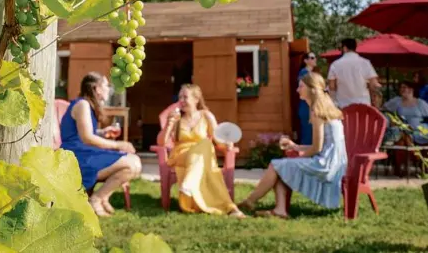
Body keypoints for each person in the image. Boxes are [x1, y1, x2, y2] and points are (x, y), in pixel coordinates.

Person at [238, 72, 347, 218]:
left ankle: (250, 202)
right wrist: (294, 146)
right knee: (280, 166)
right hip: (334, 163)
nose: (297, 90)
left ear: (311, 89)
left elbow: (317, 148)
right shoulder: (325, 108)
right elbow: (322, 146)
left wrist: (299, 156)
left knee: (277, 165)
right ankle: (279, 210)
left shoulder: (317, 112)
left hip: (326, 166)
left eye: (301, 86)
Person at [60, 72, 141, 217]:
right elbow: (87, 138)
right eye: (106, 86)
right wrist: (118, 145)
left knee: (134, 163)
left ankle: (102, 197)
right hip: (76, 156)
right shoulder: (83, 104)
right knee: (131, 164)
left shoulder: (85, 105)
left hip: (83, 152)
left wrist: (103, 132)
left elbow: (83, 133)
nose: (108, 89)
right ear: (96, 88)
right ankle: (96, 199)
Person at [158, 84, 245, 218]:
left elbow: (218, 140)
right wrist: (169, 125)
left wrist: (227, 144)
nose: (181, 100)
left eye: (185, 97)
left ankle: (191, 185)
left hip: (202, 155)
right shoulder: (177, 119)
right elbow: (161, 142)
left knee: (205, 143)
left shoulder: (206, 116)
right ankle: (228, 207)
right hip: (182, 155)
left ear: (196, 99)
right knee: (205, 144)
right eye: (179, 97)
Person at [327, 38, 380, 108]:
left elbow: (331, 86)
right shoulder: (365, 62)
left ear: (345, 48)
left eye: (340, 48)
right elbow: (374, 84)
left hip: (343, 104)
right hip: (363, 103)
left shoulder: (335, 64)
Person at [382, 81, 428, 145]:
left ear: (411, 89)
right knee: (398, 136)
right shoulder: (397, 101)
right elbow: (383, 109)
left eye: (404, 87)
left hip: (419, 130)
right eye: (400, 87)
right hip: (402, 130)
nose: (401, 89)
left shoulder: (420, 103)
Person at [297, 52, 317, 145]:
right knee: (308, 134)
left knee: (310, 134)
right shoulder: (304, 73)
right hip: (306, 106)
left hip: (309, 106)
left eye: (315, 57)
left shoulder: (309, 73)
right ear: (305, 60)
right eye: (312, 57)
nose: (315, 59)